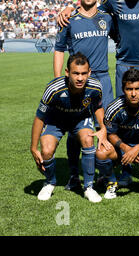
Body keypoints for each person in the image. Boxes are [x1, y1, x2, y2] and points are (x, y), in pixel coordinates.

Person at [58, 0, 139, 187]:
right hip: (124, 65)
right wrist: (69, 7)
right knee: (122, 116)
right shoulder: (112, 1)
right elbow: (89, 9)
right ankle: (124, 169)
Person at [54, 0, 116, 192]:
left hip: (102, 79)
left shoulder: (107, 18)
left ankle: (106, 174)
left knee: (105, 126)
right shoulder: (68, 19)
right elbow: (59, 49)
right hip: (78, 82)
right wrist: (58, 80)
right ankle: (73, 175)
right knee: (75, 129)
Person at [30, 53, 112, 202]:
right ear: (67, 72)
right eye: (75, 73)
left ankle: (88, 187)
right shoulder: (53, 88)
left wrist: (103, 127)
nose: (80, 78)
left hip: (80, 119)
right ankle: (49, 182)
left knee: (88, 140)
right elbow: (39, 117)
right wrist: (33, 148)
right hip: (56, 120)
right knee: (47, 150)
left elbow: (98, 107)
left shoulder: (95, 87)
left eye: (83, 73)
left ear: (89, 72)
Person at [98, 68, 139, 199]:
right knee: (101, 153)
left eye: (137, 89)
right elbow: (110, 134)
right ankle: (111, 182)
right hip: (121, 148)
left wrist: (137, 149)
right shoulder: (113, 108)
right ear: (123, 90)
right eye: (129, 89)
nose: (133, 94)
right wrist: (127, 149)